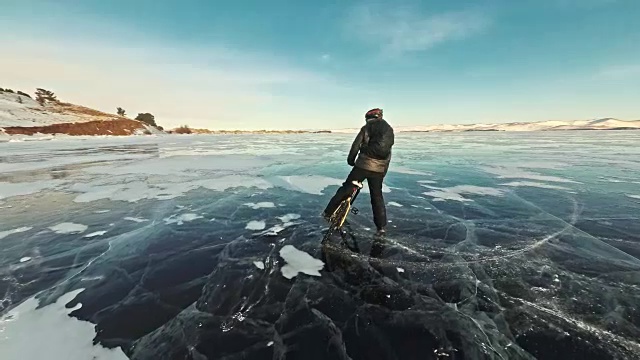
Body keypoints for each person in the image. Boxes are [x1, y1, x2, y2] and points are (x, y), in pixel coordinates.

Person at [323, 108, 394, 236]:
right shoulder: (389, 130)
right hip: (378, 170)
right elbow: (388, 154)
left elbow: (355, 146)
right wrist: (382, 172)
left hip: (362, 166)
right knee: (377, 197)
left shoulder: (366, 128)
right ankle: (381, 227)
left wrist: (351, 161)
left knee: (347, 188)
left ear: (368, 118)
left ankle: (328, 212)